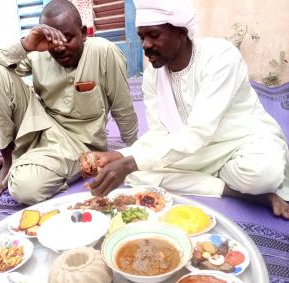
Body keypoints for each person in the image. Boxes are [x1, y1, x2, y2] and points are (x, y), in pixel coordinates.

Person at [85, 0, 289, 220]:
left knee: (264, 173)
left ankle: (218, 178)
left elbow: (198, 132)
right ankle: (241, 192)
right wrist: (118, 156)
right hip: (195, 153)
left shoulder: (220, 57)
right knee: (139, 175)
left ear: (181, 32)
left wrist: (128, 162)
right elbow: (159, 134)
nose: (145, 45)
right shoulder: (153, 75)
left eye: (153, 35)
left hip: (241, 142)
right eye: (142, 37)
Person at [0, 0, 138, 204]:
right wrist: (26, 45)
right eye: (52, 40)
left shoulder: (103, 52)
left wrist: (133, 155)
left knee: (25, 188)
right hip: (39, 125)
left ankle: (25, 159)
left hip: (78, 143)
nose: (59, 47)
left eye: (68, 38)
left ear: (84, 33)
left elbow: (123, 108)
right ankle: (9, 161)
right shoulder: (40, 52)